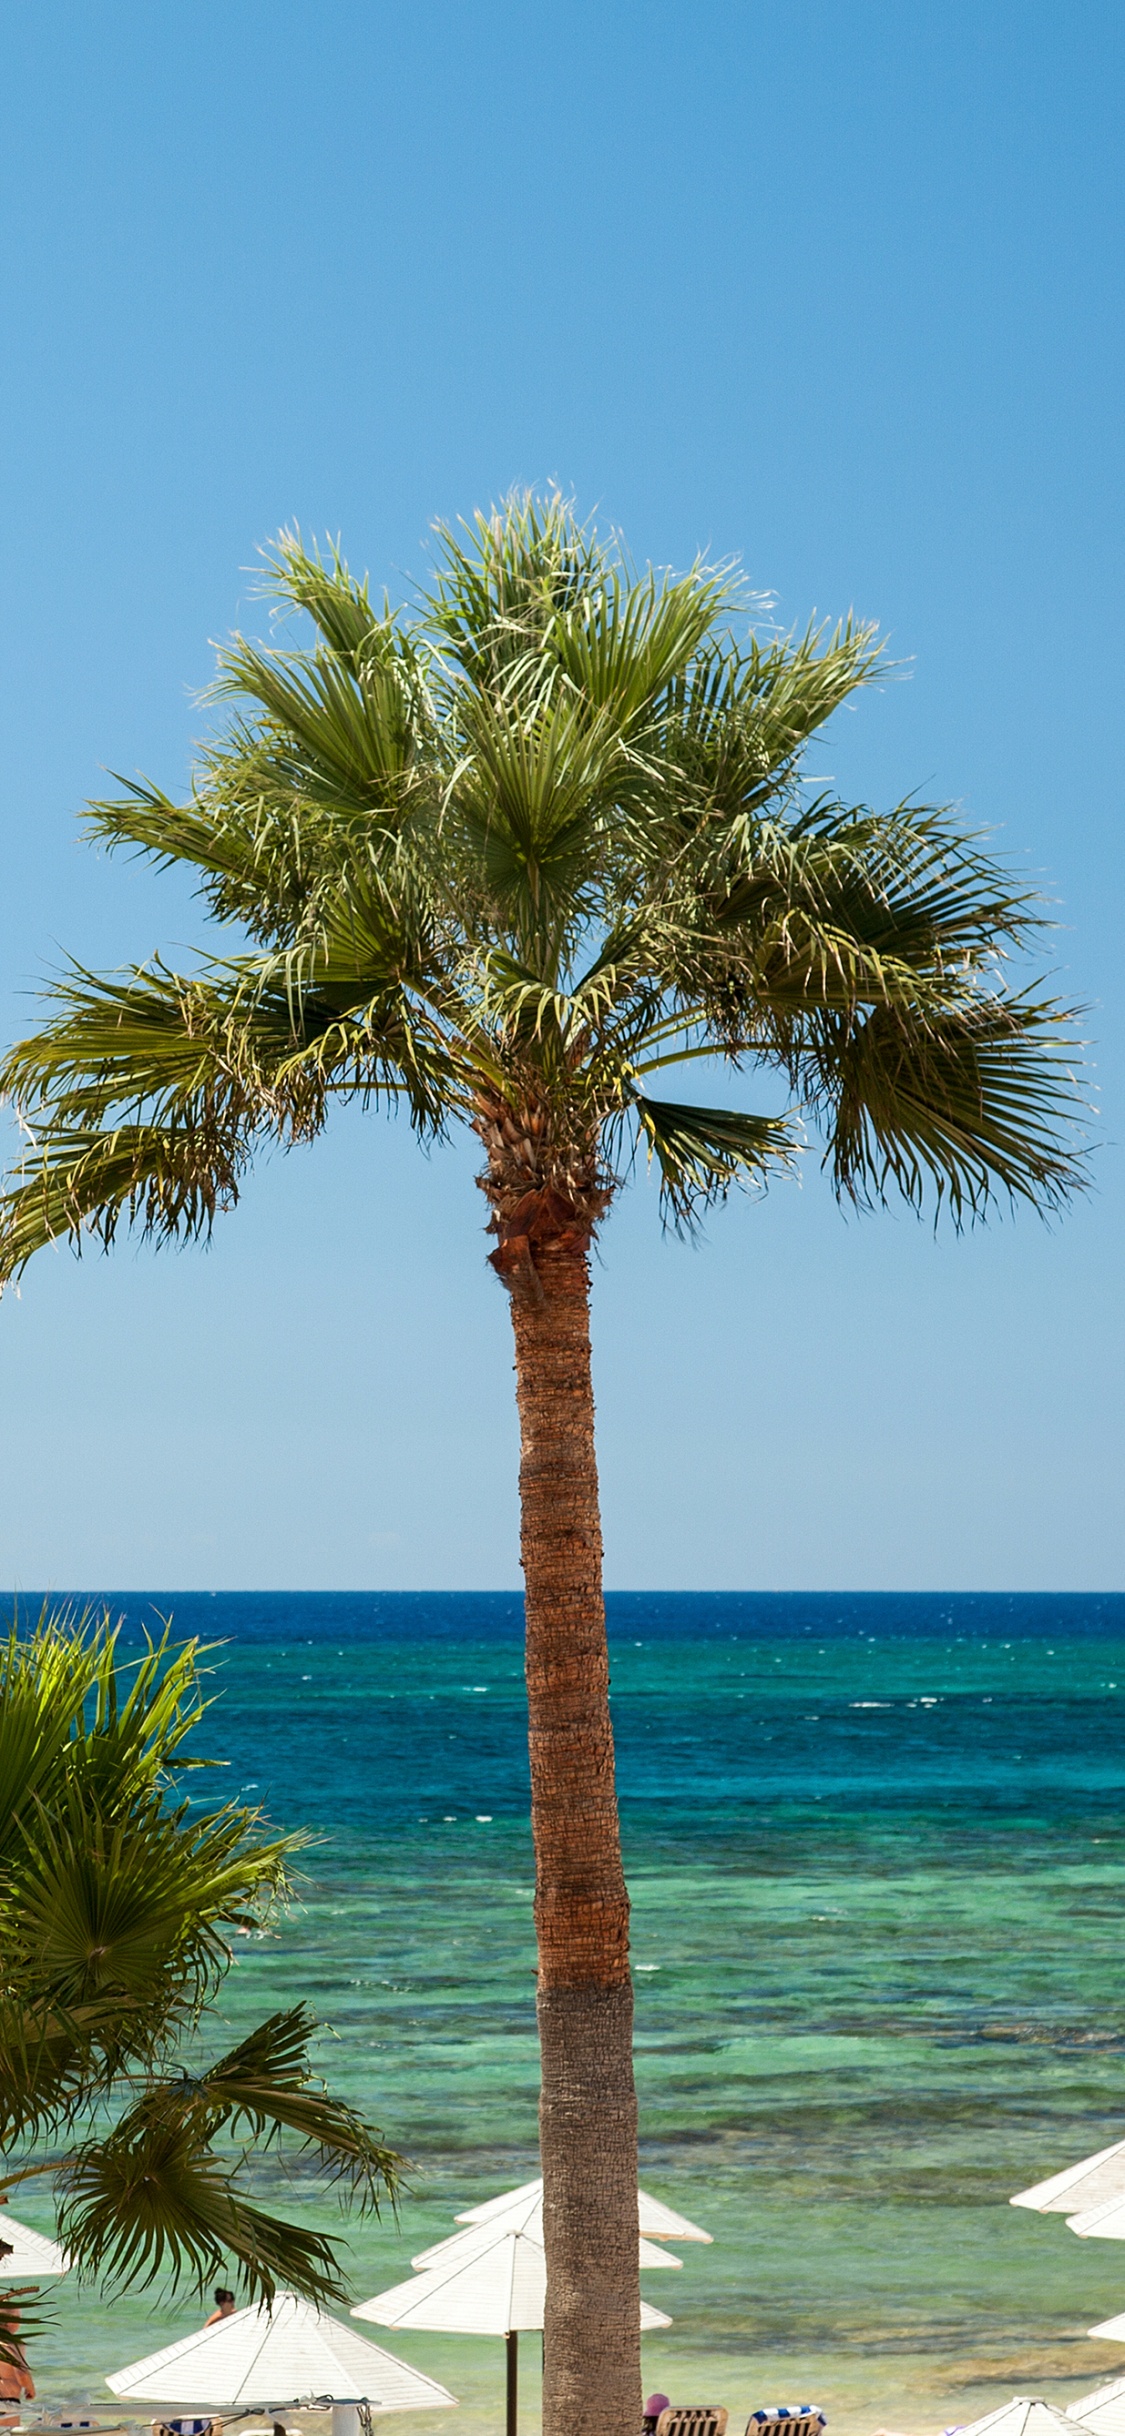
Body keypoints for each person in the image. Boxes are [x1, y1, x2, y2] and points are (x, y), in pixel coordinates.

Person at [0, 2250, 35, 2430]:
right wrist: (30, 2389)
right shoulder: (12, 2342)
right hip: (7, 2402)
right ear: (12, 2322)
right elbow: (21, 2371)